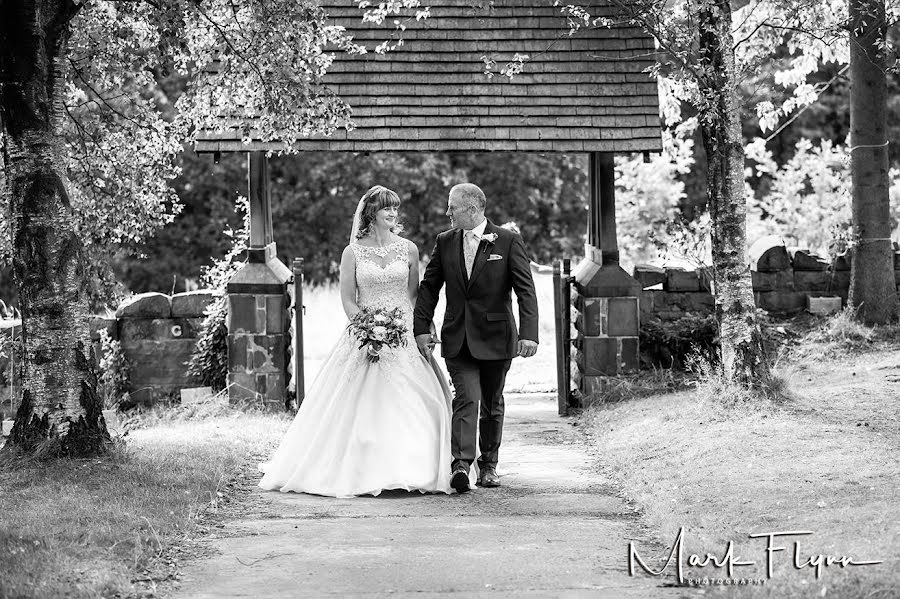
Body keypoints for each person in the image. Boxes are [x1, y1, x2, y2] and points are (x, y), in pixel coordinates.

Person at [259, 185, 453, 498]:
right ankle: (360, 467)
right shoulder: (353, 252)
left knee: (419, 399)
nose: (392, 213)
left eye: (395, 208)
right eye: (386, 208)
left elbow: (415, 294)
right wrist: (365, 327)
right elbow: (348, 299)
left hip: (402, 331)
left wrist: (422, 327)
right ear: (370, 214)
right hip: (366, 333)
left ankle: (414, 467)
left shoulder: (409, 249)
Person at [414, 183, 539, 493]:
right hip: (457, 336)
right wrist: (420, 327)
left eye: (452, 207)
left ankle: (489, 466)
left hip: (497, 336)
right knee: (466, 398)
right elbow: (430, 287)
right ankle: (461, 464)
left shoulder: (508, 241)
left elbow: (526, 290)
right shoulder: (444, 242)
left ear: (471, 209)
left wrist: (530, 334)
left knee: (492, 403)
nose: (447, 213)